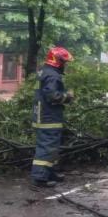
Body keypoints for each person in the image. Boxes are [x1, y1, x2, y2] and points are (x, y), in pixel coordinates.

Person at [30, 46, 74, 187]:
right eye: (64, 62)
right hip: (48, 117)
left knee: (51, 147)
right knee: (47, 147)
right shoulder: (52, 75)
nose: (65, 65)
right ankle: (39, 178)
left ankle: (50, 173)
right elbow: (52, 96)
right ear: (57, 61)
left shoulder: (45, 71)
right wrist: (67, 97)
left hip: (44, 115)